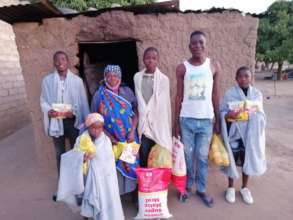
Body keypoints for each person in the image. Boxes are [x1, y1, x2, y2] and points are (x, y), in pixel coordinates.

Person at [174, 31, 221, 207]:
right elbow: (178, 97)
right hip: (186, 120)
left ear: (206, 44)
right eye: (194, 43)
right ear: (189, 46)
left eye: (201, 42)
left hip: (206, 120)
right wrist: (175, 124)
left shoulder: (213, 66)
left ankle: (201, 189)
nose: (198, 46)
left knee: (201, 157)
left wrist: (217, 119)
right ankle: (187, 186)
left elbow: (215, 94)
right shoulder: (182, 68)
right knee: (187, 156)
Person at [57, 113, 124, 220]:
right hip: (89, 176)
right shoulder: (82, 140)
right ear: (88, 127)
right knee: (89, 197)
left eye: (100, 128)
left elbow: (108, 160)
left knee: (107, 198)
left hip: (106, 177)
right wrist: (83, 157)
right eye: (94, 128)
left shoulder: (106, 140)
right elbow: (75, 156)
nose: (97, 131)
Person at [220, 66, 266, 205]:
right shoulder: (229, 94)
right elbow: (222, 112)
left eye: (246, 76)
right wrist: (229, 115)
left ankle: (245, 188)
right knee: (232, 161)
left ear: (251, 78)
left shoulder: (257, 94)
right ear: (236, 79)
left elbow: (261, 115)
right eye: (240, 76)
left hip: (250, 135)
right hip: (234, 134)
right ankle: (231, 187)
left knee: (248, 160)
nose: (243, 79)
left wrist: (253, 114)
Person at [91, 64, 139, 195]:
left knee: (130, 163)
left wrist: (133, 130)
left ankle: (133, 193)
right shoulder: (99, 95)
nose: (112, 78)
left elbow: (136, 110)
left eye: (115, 75)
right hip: (108, 138)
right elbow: (95, 118)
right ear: (105, 77)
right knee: (112, 166)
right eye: (109, 75)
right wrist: (109, 137)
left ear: (120, 77)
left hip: (129, 137)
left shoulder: (127, 91)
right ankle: (116, 197)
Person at [40, 51, 89, 175]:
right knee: (59, 153)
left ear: (68, 62)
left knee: (76, 150)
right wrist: (49, 111)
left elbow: (82, 102)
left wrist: (74, 113)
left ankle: (77, 180)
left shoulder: (77, 81)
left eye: (63, 59)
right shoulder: (47, 81)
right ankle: (63, 183)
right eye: (57, 59)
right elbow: (44, 100)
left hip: (73, 121)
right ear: (54, 63)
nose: (60, 62)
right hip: (56, 121)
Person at [134, 47, 173, 168]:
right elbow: (140, 101)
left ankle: (157, 183)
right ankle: (146, 182)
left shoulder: (164, 80)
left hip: (158, 123)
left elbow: (163, 105)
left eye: (154, 58)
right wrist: (145, 113)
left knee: (158, 155)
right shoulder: (137, 77)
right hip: (144, 124)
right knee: (144, 152)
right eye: (148, 58)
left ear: (158, 60)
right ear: (143, 60)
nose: (150, 60)